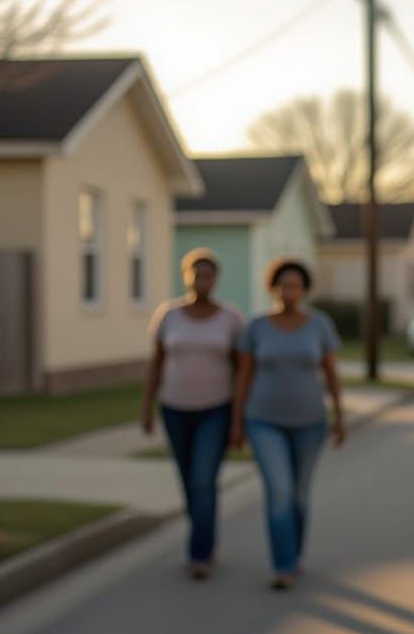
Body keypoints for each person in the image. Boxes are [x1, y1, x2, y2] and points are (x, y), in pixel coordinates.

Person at [232, 258, 345, 591]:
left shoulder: (319, 325)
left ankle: (294, 553)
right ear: (272, 288)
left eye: (295, 285)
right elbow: (243, 377)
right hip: (263, 420)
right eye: (282, 284)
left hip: (310, 422)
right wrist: (236, 422)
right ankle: (282, 564)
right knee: (279, 491)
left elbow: (331, 373)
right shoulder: (256, 327)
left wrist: (339, 416)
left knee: (298, 495)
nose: (288, 291)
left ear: (304, 289)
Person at [142, 248, 244, 580]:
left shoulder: (231, 318)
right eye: (196, 274)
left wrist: (239, 419)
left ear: (216, 279)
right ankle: (206, 538)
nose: (202, 280)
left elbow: (242, 370)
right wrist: (147, 407)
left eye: (208, 274)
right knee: (189, 482)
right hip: (174, 408)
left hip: (216, 409)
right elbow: (156, 363)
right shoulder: (168, 315)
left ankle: (198, 553)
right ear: (186, 276)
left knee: (203, 480)